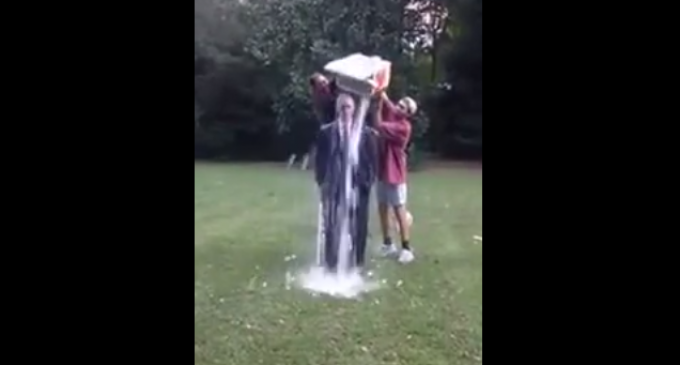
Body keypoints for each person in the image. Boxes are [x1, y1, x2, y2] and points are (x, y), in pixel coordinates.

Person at [314, 93, 377, 271]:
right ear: (337, 110)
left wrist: (367, 180)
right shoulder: (326, 132)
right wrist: (322, 181)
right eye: (342, 107)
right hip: (334, 182)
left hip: (358, 183)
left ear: (354, 109)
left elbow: (372, 160)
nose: (345, 111)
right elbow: (320, 159)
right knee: (331, 221)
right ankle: (331, 262)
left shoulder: (365, 132)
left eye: (348, 107)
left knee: (359, 223)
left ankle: (357, 261)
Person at [374, 91, 417, 264]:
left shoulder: (403, 126)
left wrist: (377, 106)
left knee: (399, 209)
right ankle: (387, 244)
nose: (397, 108)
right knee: (382, 207)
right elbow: (389, 104)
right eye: (398, 104)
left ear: (407, 114)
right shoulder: (395, 115)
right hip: (383, 170)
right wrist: (381, 93)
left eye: (402, 107)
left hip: (395, 173)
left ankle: (406, 248)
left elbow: (378, 125)